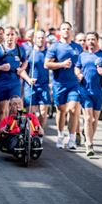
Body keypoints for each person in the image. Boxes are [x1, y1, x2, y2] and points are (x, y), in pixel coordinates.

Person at [75, 32, 102, 156]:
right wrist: (78, 74)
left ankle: (86, 134)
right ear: (86, 42)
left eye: (93, 39)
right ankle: (89, 145)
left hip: (98, 91)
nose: (91, 41)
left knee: (94, 119)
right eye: (88, 39)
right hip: (85, 91)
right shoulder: (82, 55)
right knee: (87, 118)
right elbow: (77, 67)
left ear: (97, 40)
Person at [44, 22, 83, 150]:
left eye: (68, 29)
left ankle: (71, 139)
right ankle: (60, 135)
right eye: (63, 29)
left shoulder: (77, 47)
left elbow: (83, 64)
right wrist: (61, 64)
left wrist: (82, 74)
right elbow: (46, 64)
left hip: (74, 84)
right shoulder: (54, 47)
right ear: (60, 31)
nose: (66, 31)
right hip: (59, 84)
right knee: (61, 110)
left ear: (71, 31)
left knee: (72, 109)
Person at [0, 26, 27, 125]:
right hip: (1, 83)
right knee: (2, 110)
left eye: (12, 34)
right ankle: (2, 131)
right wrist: (0, 67)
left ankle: (14, 129)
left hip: (15, 82)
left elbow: (25, 61)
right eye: (8, 34)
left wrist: (22, 69)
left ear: (16, 36)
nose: (10, 37)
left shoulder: (20, 49)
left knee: (16, 106)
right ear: (4, 36)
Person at [0, 95, 44, 160]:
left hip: (30, 137)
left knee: (36, 140)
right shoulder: (6, 119)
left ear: (22, 105)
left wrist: (40, 130)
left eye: (19, 104)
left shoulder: (31, 116)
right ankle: (19, 150)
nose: (18, 106)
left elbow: (39, 127)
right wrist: (3, 130)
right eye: (15, 104)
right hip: (14, 137)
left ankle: (34, 151)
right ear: (10, 106)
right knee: (16, 141)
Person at [24, 30, 51, 127]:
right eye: (38, 37)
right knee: (30, 112)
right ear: (34, 39)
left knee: (43, 113)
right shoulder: (29, 52)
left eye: (42, 37)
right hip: (30, 86)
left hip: (44, 86)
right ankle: (30, 133)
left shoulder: (49, 52)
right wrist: (28, 79)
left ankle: (39, 132)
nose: (41, 39)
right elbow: (22, 70)